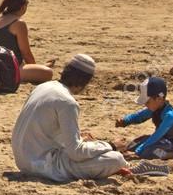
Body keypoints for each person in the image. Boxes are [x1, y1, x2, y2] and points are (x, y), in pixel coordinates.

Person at [11, 54, 128, 182]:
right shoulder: (67, 102)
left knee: (94, 150)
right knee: (115, 159)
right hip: (43, 166)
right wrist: (110, 145)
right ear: (84, 82)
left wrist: (81, 139)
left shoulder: (43, 87)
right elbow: (76, 153)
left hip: (23, 160)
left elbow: (45, 131)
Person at [0, 0, 54, 84]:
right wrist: (34, 68)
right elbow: (26, 53)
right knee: (48, 73)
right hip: (7, 69)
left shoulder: (0, 19)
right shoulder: (19, 23)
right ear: (23, 7)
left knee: (40, 69)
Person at [115, 77, 173, 159]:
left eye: (147, 102)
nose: (145, 105)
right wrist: (126, 120)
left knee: (147, 152)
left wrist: (138, 152)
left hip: (170, 144)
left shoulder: (170, 115)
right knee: (133, 145)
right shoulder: (154, 108)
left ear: (159, 99)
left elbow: (157, 135)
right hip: (158, 141)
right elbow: (139, 116)